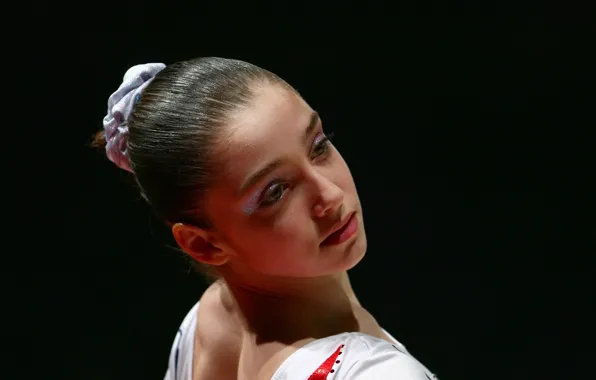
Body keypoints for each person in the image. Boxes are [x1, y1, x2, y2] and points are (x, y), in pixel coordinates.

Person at [96, 57, 438, 379]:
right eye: (275, 192)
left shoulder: (208, 317)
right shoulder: (376, 373)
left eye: (319, 145)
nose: (330, 195)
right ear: (203, 244)